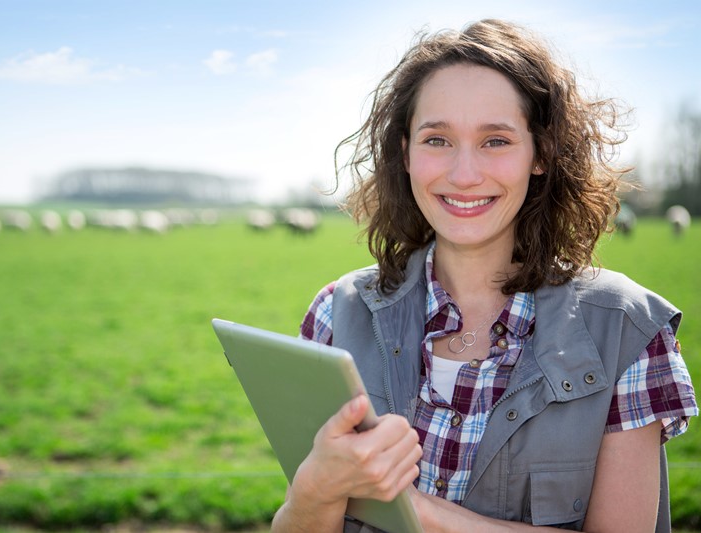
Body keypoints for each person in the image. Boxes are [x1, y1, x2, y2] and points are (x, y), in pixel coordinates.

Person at [271, 19, 698, 533]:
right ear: (405, 153)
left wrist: (418, 512)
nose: (464, 173)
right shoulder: (336, 315)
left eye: (495, 140)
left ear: (540, 154)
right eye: (437, 140)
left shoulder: (628, 332)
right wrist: (316, 488)